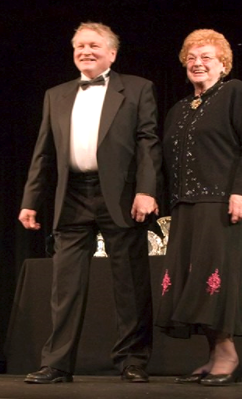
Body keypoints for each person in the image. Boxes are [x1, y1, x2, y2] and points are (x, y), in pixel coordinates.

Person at [18, 22, 162, 384]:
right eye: (79, 46)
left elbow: (148, 143)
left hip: (122, 195)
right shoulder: (56, 94)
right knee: (64, 285)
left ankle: (133, 359)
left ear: (112, 53)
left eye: (94, 45)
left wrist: (147, 190)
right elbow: (44, 153)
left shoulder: (138, 88)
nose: (85, 51)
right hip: (73, 195)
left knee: (129, 282)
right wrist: (31, 200)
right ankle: (58, 363)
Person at [155, 29, 242, 386]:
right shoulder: (179, 109)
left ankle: (229, 357)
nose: (198, 63)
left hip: (220, 203)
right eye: (192, 58)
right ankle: (215, 356)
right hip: (185, 207)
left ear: (223, 64)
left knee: (217, 279)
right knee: (194, 283)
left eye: (206, 58)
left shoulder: (234, 92)